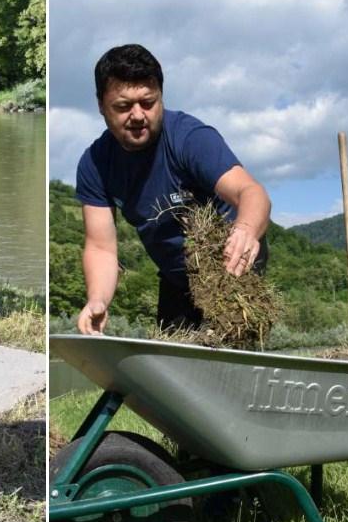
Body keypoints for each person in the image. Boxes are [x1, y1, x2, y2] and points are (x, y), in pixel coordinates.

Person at [74, 44, 271, 334]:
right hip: (175, 276)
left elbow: (252, 193)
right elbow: (101, 248)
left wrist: (246, 229)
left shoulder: (190, 138)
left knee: (224, 351)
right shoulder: (95, 164)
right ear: (101, 105)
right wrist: (97, 300)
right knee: (171, 358)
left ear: (161, 97)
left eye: (148, 102)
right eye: (124, 106)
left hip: (231, 265)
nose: (138, 115)